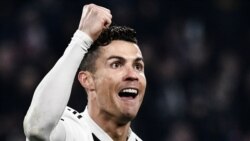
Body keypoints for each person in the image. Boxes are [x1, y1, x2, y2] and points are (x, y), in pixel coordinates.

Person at [23, 3, 147, 141]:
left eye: (138, 66)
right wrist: (82, 38)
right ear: (87, 80)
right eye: (116, 64)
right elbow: (37, 129)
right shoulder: (72, 132)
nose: (132, 75)